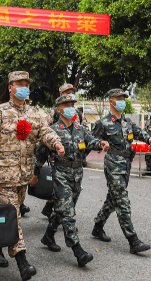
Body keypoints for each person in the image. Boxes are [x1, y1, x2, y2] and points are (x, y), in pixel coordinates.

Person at [0, 71, 64, 281]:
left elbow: (45, 131)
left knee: (8, 216)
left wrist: (56, 143)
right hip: (2, 176)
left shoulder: (35, 113)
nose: (24, 86)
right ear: (10, 87)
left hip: (23, 177)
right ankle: (22, 261)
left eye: (26, 83)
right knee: (14, 216)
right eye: (20, 83)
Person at [33, 94, 109, 267]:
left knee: (64, 210)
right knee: (68, 213)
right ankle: (77, 250)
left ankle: (48, 236)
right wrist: (35, 174)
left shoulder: (80, 129)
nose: (71, 107)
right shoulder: (52, 130)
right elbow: (40, 155)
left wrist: (101, 144)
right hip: (60, 174)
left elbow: (91, 141)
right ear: (59, 109)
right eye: (66, 104)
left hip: (77, 175)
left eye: (72, 104)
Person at [90, 89, 151, 254]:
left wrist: (149, 138)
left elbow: (138, 132)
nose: (122, 101)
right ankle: (133, 240)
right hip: (113, 164)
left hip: (126, 164)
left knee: (113, 200)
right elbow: (91, 139)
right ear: (111, 101)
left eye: (123, 98)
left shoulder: (127, 121)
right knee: (122, 201)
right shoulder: (103, 122)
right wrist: (100, 144)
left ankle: (97, 227)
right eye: (119, 98)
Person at [41, 83, 90, 218]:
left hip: (76, 155)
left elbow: (86, 132)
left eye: (72, 92)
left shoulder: (77, 113)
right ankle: (62, 213)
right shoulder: (55, 112)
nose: (70, 94)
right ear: (61, 94)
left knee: (73, 189)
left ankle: (57, 214)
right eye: (67, 92)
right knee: (61, 188)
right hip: (59, 154)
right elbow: (44, 130)